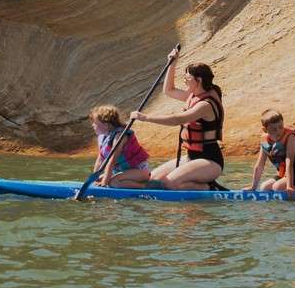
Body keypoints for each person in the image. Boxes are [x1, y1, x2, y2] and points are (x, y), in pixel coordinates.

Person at [134, 59, 225, 190]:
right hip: (191, 157)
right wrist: (172, 63)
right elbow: (169, 90)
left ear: (198, 80)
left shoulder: (205, 105)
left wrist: (146, 118)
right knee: (152, 180)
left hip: (210, 162)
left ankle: (209, 188)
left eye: (187, 77)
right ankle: (200, 184)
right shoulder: (194, 95)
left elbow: (177, 120)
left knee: (168, 184)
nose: (184, 80)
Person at [250, 110, 295, 196]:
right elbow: (259, 165)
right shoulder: (265, 141)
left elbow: (289, 162)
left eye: (280, 127)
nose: (278, 131)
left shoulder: (290, 137)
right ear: (265, 130)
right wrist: (253, 187)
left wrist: (289, 187)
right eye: (274, 129)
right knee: (264, 188)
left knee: (277, 188)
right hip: (285, 174)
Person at [87, 105, 152, 189]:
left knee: (114, 183)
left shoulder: (120, 137)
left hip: (140, 172)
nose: (93, 125)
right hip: (123, 172)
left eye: (95, 123)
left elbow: (112, 161)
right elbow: (100, 160)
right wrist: (94, 179)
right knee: (99, 179)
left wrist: (104, 183)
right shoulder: (103, 138)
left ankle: (146, 187)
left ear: (106, 125)